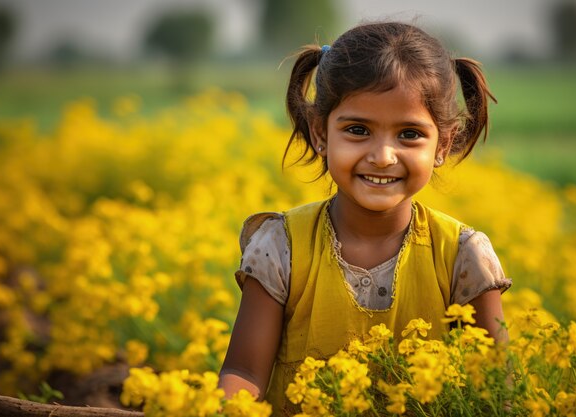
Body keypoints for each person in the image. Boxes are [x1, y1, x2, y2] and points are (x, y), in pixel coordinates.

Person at [218, 21, 511, 415]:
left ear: (443, 144)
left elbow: (496, 389)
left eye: (409, 134)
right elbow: (243, 372)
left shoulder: (462, 257)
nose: (383, 156)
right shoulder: (282, 246)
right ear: (320, 133)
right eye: (358, 130)